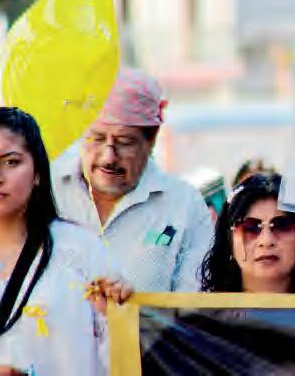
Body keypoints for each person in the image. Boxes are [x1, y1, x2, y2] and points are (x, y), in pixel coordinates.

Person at [52, 69, 213, 292]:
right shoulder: (46, 189)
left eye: (124, 142)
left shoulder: (184, 205)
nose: (108, 158)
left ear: (151, 139)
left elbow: (193, 302)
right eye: (97, 138)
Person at [0, 107, 131, 375]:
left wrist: (118, 316)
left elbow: (121, 359)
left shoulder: (80, 250)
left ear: (38, 172)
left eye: (11, 162)